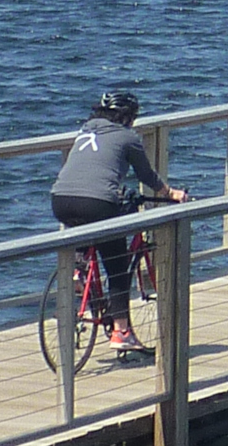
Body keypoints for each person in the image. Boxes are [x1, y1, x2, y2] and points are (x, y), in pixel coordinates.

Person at [50, 91, 187, 356]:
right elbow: (147, 175)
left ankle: (77, 273)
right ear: (127, 117)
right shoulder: (128, 137)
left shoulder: (85, 131)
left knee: (83, 227)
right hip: (97, 202)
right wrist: (171, 193)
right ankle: (122, 332)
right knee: (117, 265)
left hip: (60, 199)